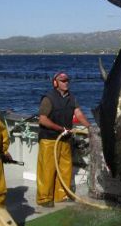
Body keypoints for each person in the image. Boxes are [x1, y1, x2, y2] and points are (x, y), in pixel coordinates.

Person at [37, 71, 90, 207]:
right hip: (49, 140)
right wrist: (60, 129)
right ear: (55, 83)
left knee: (65, 168)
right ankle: (44, 198)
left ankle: (61, 195)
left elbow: (78, 113)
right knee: (47, 170)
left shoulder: (72, 98)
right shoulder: (48, 98)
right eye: (62, 81)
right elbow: (43, 119)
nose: (65, 83)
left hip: (65, 140)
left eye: (67, 80)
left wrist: (89, 127)